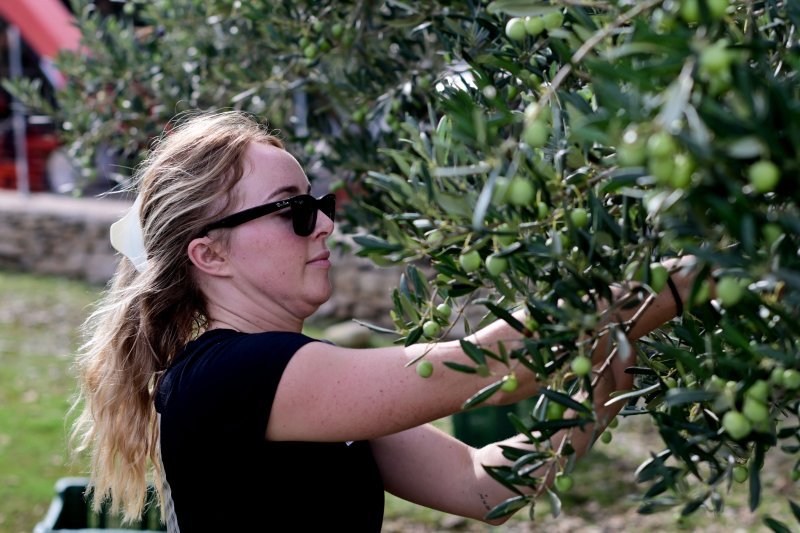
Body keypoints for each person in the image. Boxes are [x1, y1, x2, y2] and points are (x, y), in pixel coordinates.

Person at [71, 110, 704, 532]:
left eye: (318, 203)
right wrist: (669, 285)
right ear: (210, 253)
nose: (324, 224)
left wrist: (605, 380)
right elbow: (492, 364)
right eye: (291, 210)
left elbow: (484, 486)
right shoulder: (233, 375)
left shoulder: (291, 383)